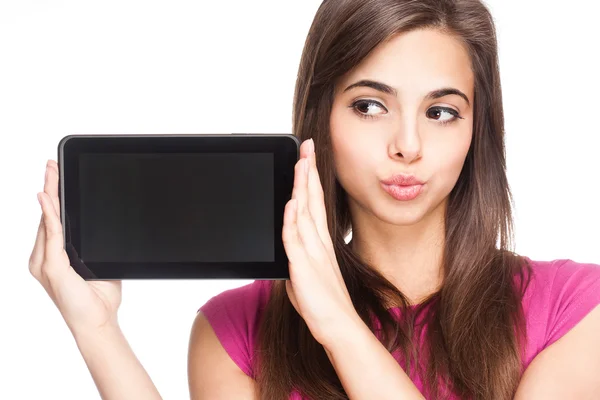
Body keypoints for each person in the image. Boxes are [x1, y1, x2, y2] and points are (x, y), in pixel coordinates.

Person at [30, 0, 600, 399]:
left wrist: (339, 325)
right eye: (370, 106)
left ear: (478, 130)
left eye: (441, 111)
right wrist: (96, 330)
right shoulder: (237, 333)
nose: (407, 145)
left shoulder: (574, 309)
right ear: (320, 118)